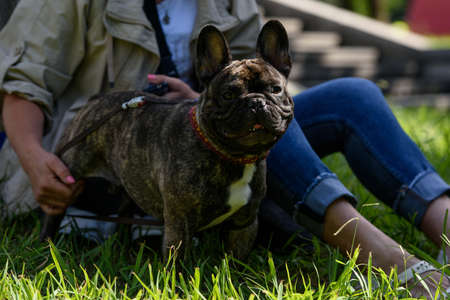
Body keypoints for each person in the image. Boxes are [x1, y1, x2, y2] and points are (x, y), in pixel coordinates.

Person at [0, 0, 449, 297]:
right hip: (126, 151)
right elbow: (22, 84)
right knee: (252, 115)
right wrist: (33, 157)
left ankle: (444, 226)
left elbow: (260, 76)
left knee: (344, 97)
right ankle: (381, 255)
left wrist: (213, 97)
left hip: (221, 126)